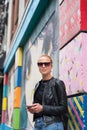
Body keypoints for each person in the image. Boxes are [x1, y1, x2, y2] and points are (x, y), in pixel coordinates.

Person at [27, 55, 68, 130]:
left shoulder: (58, 83)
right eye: (40, 64)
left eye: (46, 63)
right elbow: (38, 107)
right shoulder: (37, 85)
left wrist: (42, 108)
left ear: (51, 66)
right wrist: (33, 110)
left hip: (53, 124)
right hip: (37, 124)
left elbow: (63, 108)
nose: (43, 66)